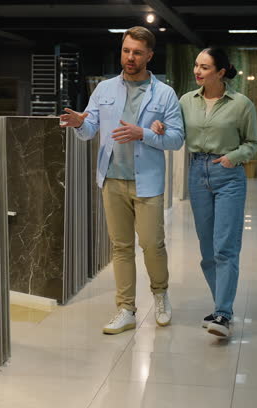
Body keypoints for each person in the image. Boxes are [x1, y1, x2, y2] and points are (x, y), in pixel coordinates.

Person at [60, 26, 185, 335]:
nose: (130, 57)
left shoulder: (165, 93)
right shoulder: (104, 89)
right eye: (127, 50)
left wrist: (142, 133)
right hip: (112, 180)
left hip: (147, 182)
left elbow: (177, 138)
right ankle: (126, 308)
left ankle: (160, 295)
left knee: (152, 244)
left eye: (137, 52)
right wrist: (79, 123)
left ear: (149, 56)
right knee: (121, 247)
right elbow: (90, 128)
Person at [153, 47, 257, 338]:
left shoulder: (241, 104)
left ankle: (223, 313)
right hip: (197, 173)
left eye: (205, 67)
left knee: (225, 247)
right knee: (207, 251)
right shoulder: (187, 101)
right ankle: (221, 306)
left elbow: (253, 144)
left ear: (221, 72)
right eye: (196, 66)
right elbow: (176, 131)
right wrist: (161, 126)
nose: (197, 71)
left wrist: (232, 157)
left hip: (228, 176)